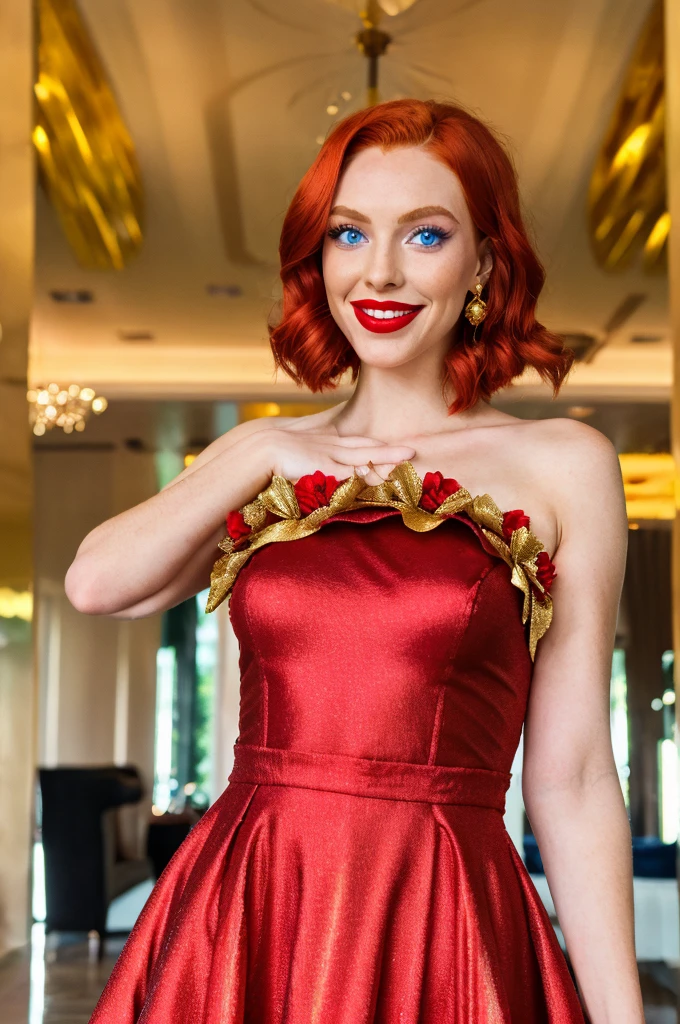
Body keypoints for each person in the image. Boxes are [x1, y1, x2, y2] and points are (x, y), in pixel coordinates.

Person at [67, 98, 643, 1023]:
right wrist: (259, 452)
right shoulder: (267, 457)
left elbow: (571, 776)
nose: (379, 270)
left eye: (425, 234)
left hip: (441, 910)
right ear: (318, 256)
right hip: (250, 900)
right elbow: (96, 584)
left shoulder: (565, 465)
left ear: (485, 261)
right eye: (348, 232)